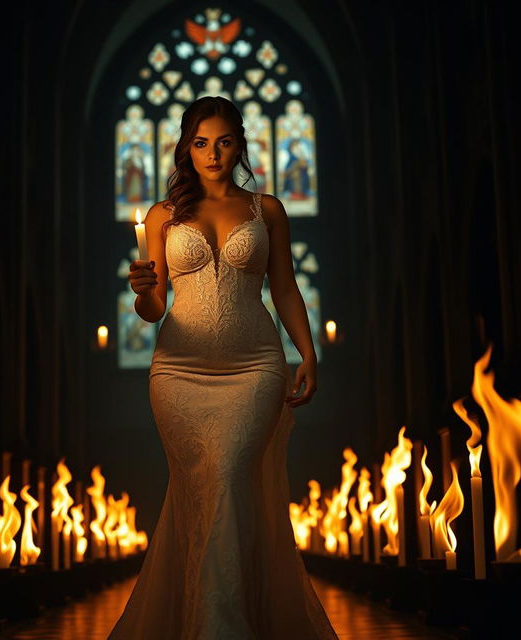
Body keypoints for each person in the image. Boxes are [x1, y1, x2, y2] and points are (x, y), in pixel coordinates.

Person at [109, 96, 337, 639]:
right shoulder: (164, 216)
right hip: (178, 373)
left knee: (232, 476)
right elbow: (154, 308)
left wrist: (307, 353)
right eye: (201, 142)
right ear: (187, 148)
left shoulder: (268, 210)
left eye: (225, 141)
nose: (213, 153)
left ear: (240, 144)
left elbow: (284, 285)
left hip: (255, 367)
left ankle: (223, 625)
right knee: (202, 484)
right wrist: (141, 292)